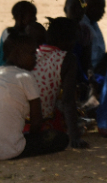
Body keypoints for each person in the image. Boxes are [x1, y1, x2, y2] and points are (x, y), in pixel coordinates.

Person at [0, 33, 70, 160]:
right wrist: (34, 139)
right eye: (32, 53)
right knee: (61, 138)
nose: (36, 58)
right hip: (8, 150)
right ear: (18, 53)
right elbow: (36, 123)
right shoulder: (25, 77)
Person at [32, 17, 88, 148]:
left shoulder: (34, 53)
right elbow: (68, 101)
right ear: (68, 39)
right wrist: (74, 137)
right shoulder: (67, 59)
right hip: (40, 122)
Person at [0, 1, 46, 66]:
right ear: (19, 18)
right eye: (32, 16)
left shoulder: (33, 32)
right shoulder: (8, 33)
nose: (35, 18)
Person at [80, 0, 107, 68]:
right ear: (89, 8)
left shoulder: (93, 23)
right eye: (100, 9)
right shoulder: (83, 26)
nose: (103, 12)